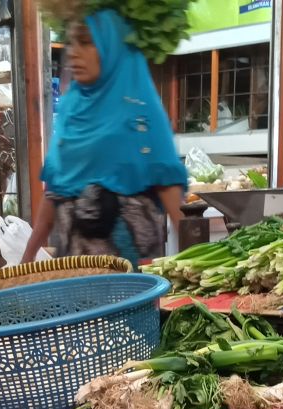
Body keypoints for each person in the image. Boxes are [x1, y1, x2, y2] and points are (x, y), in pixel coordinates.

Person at [20, 10, 188, 265]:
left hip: (132, 279)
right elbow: (54, 190)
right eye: (72, 43)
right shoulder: (70, 108)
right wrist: (26, 260)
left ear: (113, 45)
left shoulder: (139, 108)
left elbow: (168, 187)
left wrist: (196, 263)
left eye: (86, 42)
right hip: (72, 277)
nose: (73, 53)